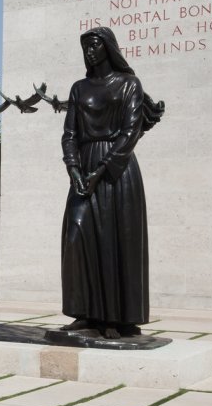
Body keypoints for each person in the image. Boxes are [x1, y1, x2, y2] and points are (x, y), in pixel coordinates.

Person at [59, 26, 164, 339]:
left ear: (108, 47)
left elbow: (130, 132)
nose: (89, 52)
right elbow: (70, 134)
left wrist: (100, 170)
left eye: (94, 46)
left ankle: (118, 319)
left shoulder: (129, 84)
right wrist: (75, 170)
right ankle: (85, 312)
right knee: (76, 235)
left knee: (117, 242)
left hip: (117, 171)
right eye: (85, 47)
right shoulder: (79, 88)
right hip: (85, 167)